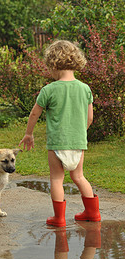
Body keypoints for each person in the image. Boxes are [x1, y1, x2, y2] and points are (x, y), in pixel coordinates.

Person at [18, 40, 101, 227]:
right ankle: (93, 213)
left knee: (57, 178)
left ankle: (59, 218)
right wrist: (80, 134)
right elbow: (89, 118)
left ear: (53, 64)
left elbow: (34, 113)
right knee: (79, 177)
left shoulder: (49, 90)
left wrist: (29, 134)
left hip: (57, 143)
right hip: (78, 142)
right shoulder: (85, 88)